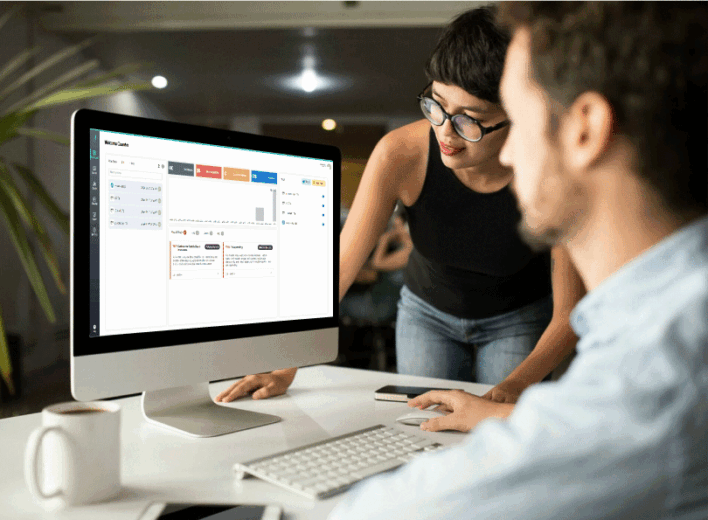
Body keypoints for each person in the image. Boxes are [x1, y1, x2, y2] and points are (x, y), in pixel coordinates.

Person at [327, 2, 708, 518]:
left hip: (516, 315)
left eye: (516, 114)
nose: (506, 157)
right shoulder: (670, 318)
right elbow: (584, 429)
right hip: (430, 307)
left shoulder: (653, 376)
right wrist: (497, 418)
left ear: (585, 129)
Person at [216, 6, 586, 407]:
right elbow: (341, 264)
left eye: (469, 120)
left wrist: (512, 393)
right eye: (436, 105)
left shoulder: (552, 171)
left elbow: (569, 312)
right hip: (427, 312)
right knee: (421, 427)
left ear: (518, 117)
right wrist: (285, 358)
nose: (445, 131)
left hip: (517, 318)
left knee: (495, 436)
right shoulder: (400, 154)